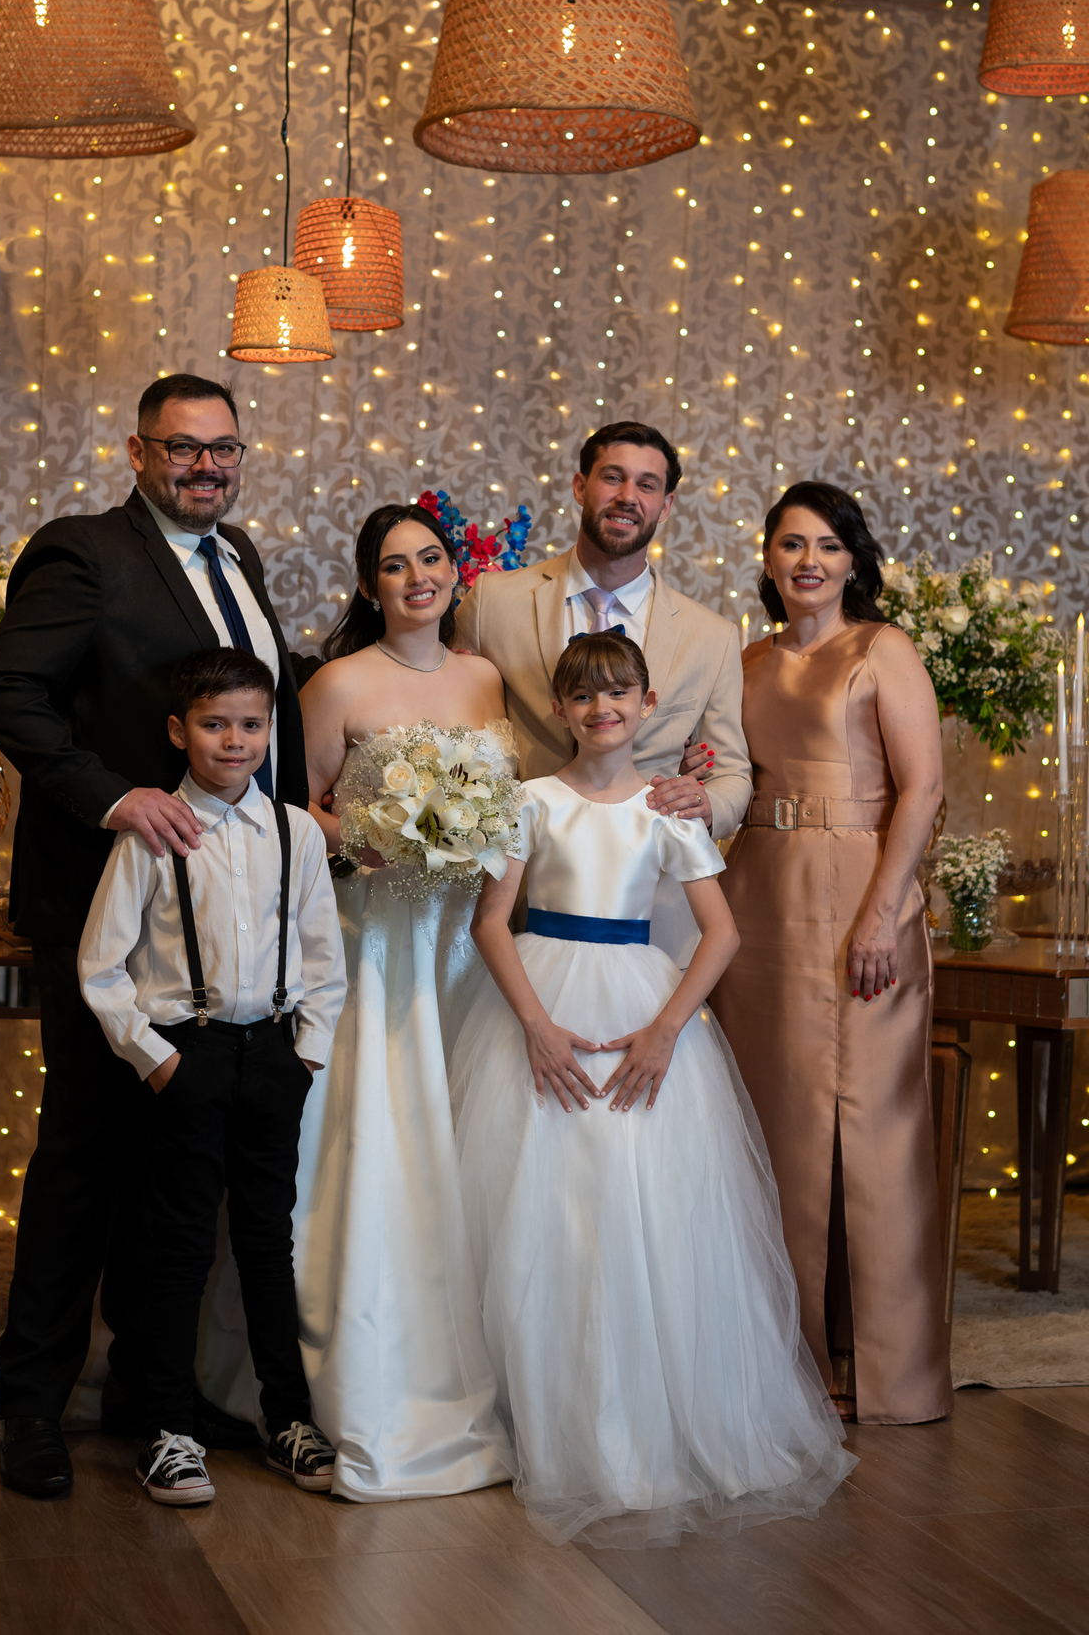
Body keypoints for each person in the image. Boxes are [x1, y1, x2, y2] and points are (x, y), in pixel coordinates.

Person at [0, 372, 314, 1498]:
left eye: (224, 449)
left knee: (176, 1172)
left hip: (222, 927)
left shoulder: (239, 554)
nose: (207, 466)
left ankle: (146, 1389)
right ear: (138, 453)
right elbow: (3, 686)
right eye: (184, 448)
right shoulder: (86, 551)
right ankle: (33, 1406)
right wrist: (112, 795)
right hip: (103, 904)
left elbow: (263, 700)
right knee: (85, 1154)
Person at [449, 633, 854, 1547]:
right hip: (547, 1000)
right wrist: (535, 1025)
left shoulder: (668, 809)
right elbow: (490, 923)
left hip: (640, 1005)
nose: (601, 710)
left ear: (647, 703)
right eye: (583, 696)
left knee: (644, 1202)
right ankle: (548, 1416)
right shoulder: (529, 801)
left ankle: (642, 1419)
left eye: (618, 694)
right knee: (547, 1203)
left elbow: (721, 933)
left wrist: (668, 1029)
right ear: (560, 710)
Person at [78, 648, 346, 1506]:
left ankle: (287, 1417)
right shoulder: (152, 832)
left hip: (273, 1056)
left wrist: (307, 1055)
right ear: (178, 730)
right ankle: (166, 1428)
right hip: (183, 1057)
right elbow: (100, 968)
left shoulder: (297, 832)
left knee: (268, 1244)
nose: (235, 741)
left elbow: (323, 958)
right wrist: (157, 1062)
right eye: (215, 723)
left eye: (251, 724)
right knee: (180, 1247)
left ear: (271, 730)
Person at [708, 481, 951, 1425]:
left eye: (827, 545)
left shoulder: (883, 649)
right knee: (773, 1124)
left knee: (874, 1129)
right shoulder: (744, 661)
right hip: (759, 895)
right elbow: (729, 777)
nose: (808, 561)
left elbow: (922, 789)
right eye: (791, 544)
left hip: (860, 894)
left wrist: (884, 914)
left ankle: (892, 1374)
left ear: (854, 561)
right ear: (767, 558)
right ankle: (787, 1368)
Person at [285, 502, 514, 1501]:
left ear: (454, 573)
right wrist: (383, 837)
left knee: (471, 1134)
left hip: (468, 944)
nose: (417, 577)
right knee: (377, 1133)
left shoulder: (486, 678)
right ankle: (367, 1359)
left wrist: (460, 836)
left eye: (430, 559)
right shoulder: (338, 683)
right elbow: (299, 813)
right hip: (377, 933)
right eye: (394, 564)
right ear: (369, 584)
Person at [453, 421, 752, 963]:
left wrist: (709, 803)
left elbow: (733, 770)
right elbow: (448, 712)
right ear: (580, 486)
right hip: (512, 894)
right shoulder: (492, 602)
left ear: (665, 506)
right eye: (612, 477)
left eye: (646, 485)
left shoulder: (712, 636)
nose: (627, 496)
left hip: (648, 908)